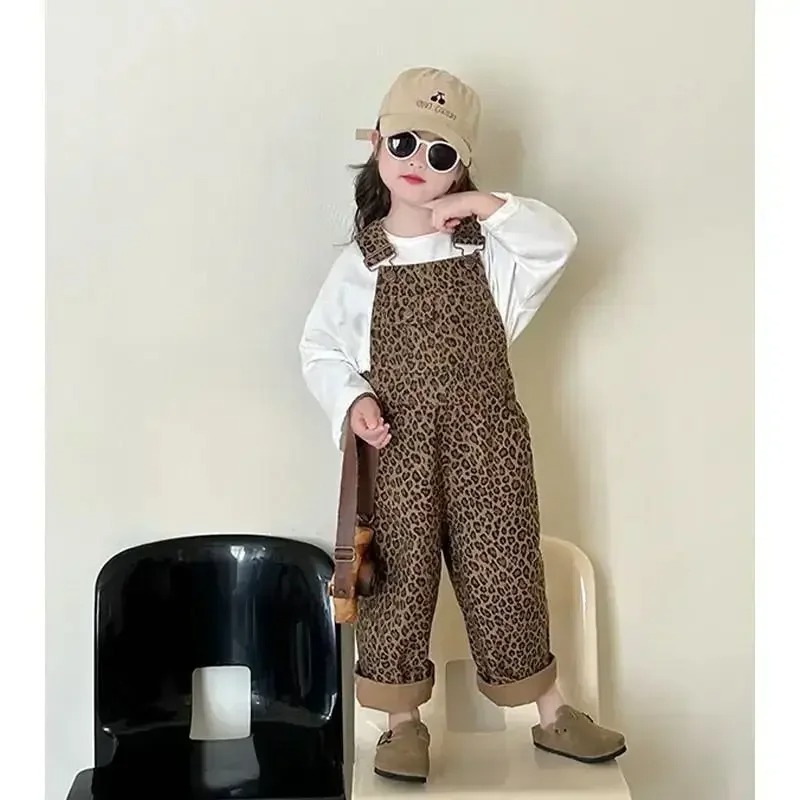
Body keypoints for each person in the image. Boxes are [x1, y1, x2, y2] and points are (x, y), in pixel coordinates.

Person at [299, 66, 626, 784]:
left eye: (441, 153)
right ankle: (400, 724)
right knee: (398, 580)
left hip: (490, 446)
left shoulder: (490, 252)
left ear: (461, 167)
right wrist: (352, 401)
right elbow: (320, 349)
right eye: (406, 143)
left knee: (506, 570)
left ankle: (550, 710)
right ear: (378, 144)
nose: (419, 162)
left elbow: (556, 241)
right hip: (396, 449)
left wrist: (485, 205)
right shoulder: (362, 263)